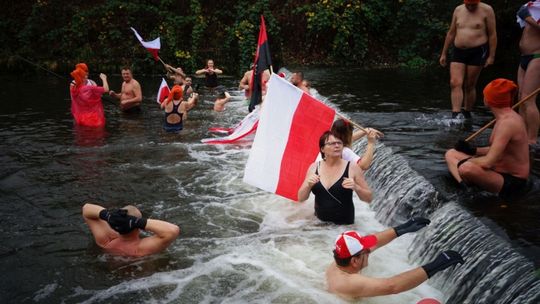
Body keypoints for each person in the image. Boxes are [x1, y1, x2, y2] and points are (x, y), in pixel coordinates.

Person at [326, 225, 464, 300]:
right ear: (355, 261)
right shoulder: (350, 282)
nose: (369, 252)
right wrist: (437, 265)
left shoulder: (339, 262)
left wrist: (400, 229)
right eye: (366, 252)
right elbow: (392, 286)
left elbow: (374, 242)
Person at [445, 78, 530, 198]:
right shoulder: (503, 118)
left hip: (512, 182)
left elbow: (488, 162)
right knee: (451, 153)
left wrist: (463, 162)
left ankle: (465, 179)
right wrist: (472, 150)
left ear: (489, 100)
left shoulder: (508, 123)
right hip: (498, 170)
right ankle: (464, 185)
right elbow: (497, 150)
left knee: (466, 168)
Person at [297, 131, 372, 225]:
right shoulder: (314, 167)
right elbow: (301, 198)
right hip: (318, 227)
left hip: (344, 228)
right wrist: (308, 185)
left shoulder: (352, 167)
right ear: (322, 149)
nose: (337, 146)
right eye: (331, 143)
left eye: (339, 143)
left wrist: (356, 187)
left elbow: (369, 198)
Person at [439, 0, 497, 119]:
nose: (470, 7)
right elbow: (451, 32)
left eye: (473, 5)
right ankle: (455, 115)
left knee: (469, 85)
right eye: (468, 4)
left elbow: (492, 34)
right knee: (455, 83)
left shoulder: (487, 10)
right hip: (458, 50)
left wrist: (491, 56)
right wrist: (443, 53)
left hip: (478, 50)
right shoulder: (458, 10)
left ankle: (467, 111)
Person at [82, 203, 180, 257]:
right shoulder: (140, 250)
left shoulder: (106, 241)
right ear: (138, 226)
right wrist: (136, 222)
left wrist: (109, 216)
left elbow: (86, 208)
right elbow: (172, 230)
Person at [516, 1, 540, 145]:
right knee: (520, 98)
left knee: (528, 99)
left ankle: (532, 140)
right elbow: (522, 14)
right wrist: (527, 16)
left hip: (537, 57)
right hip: (524, 57)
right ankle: (521, 134)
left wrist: (529, 19)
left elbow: (527, 18)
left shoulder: (531, 13)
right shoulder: (534, 6)